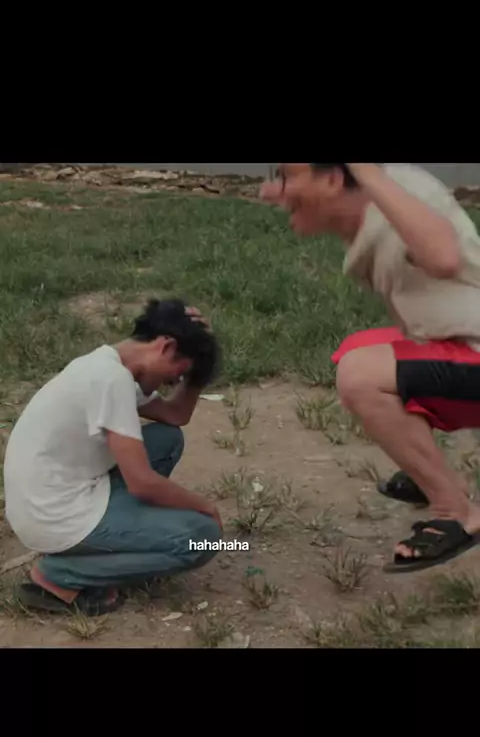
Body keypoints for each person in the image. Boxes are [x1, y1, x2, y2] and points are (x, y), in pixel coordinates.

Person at [261, 163, 480, 573]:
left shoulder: (395, 197)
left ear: (332, 179)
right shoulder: (376, 202)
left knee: (361, 376)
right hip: (464, 340)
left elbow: (444, 256)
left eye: (286, 175)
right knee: (360, 348)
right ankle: (424, 470)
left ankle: (456, 512)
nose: (269, 190)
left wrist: (365, 170)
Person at [4, 298, 223, 614]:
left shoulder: (107, 366)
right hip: (53, 517)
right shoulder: (110, 381)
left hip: (50, 498)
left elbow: (176, 415)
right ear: (167, 347)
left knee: (166, 439)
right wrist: (206, 507)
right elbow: (142, 484)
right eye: (177, 375)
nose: (174, 382)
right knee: (206, 536)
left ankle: (117, 542)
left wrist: (200, 362)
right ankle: (60, 575)